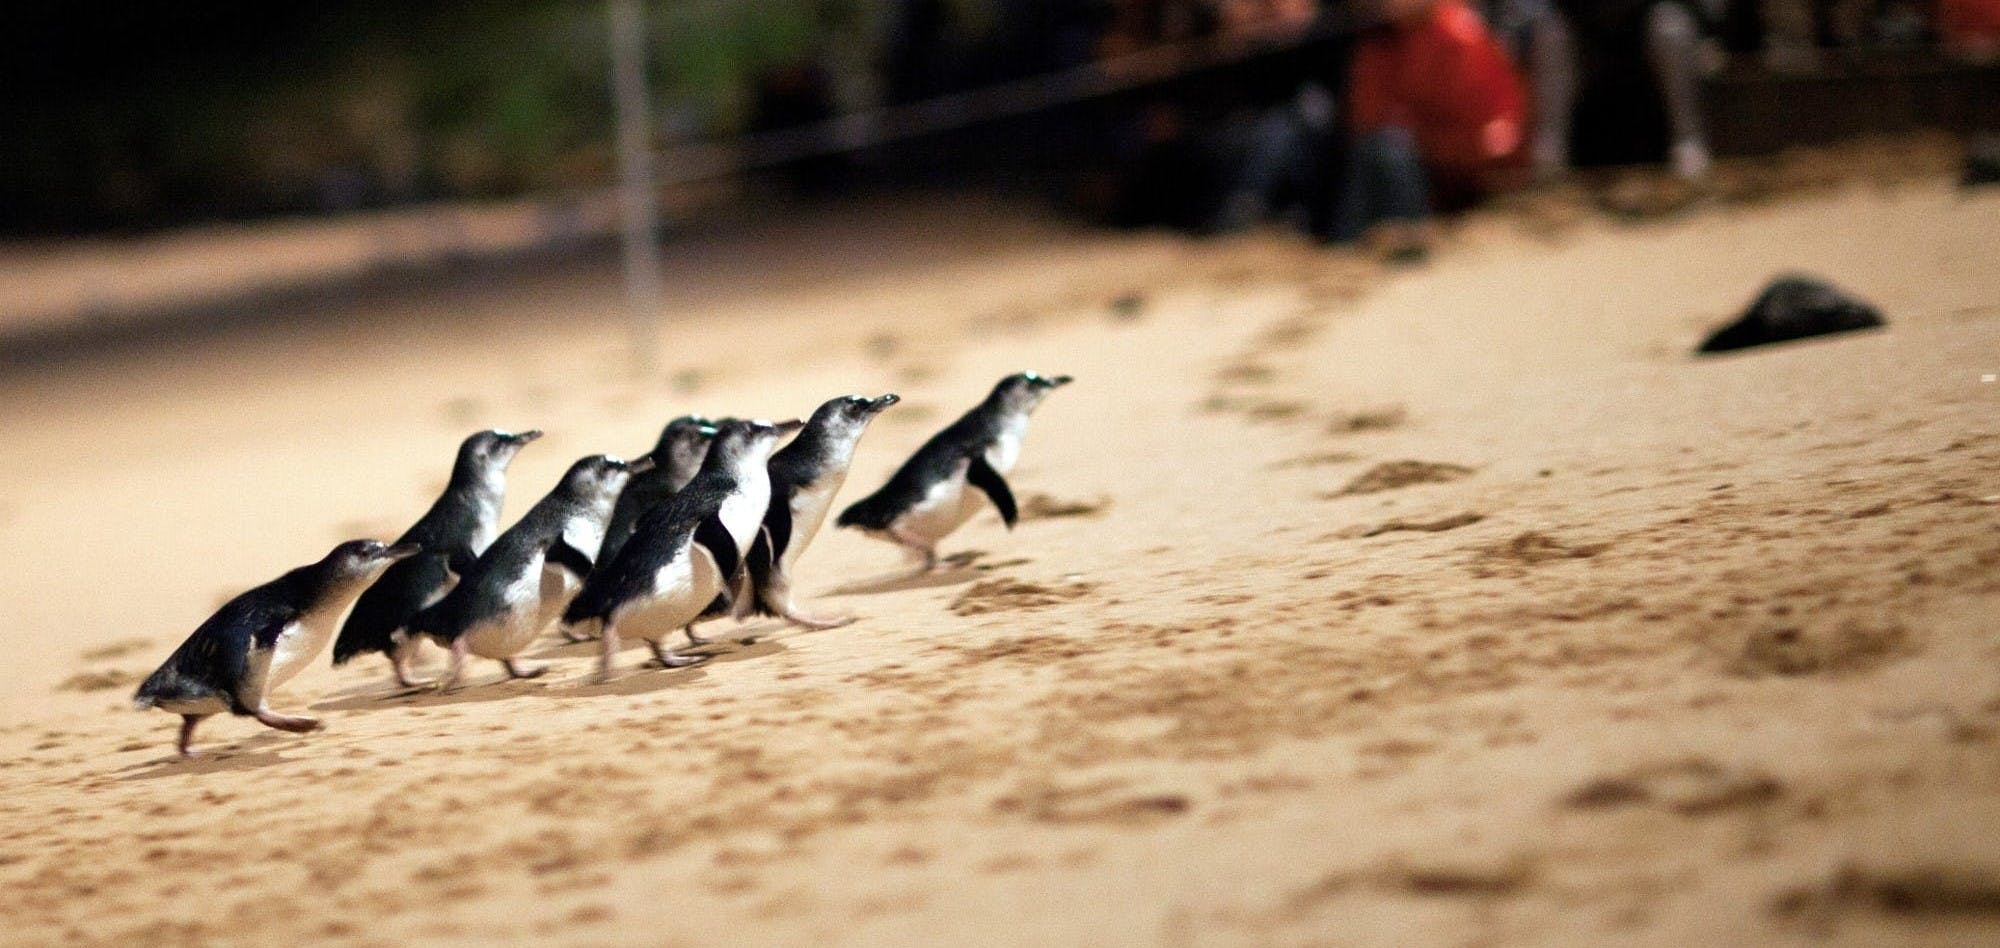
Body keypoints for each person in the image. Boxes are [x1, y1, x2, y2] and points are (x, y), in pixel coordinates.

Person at [1334, 0, 1528, 255]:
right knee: (1376, 148)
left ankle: (1411, 243)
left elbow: (1489, 127)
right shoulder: (1379, 40)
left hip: (1462, 166)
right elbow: (1365, 116)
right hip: (1416, 157)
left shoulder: (1458, 33)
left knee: (1390, 149)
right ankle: (1349, 245)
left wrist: (1422, 136)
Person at [1486, 0, 1717, 181]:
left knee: (1671, 25)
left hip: (1643, 42)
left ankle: (1689, 144)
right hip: (1585, 47)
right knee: (1551, 33)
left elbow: (1699, 12)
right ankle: (1549, 156)